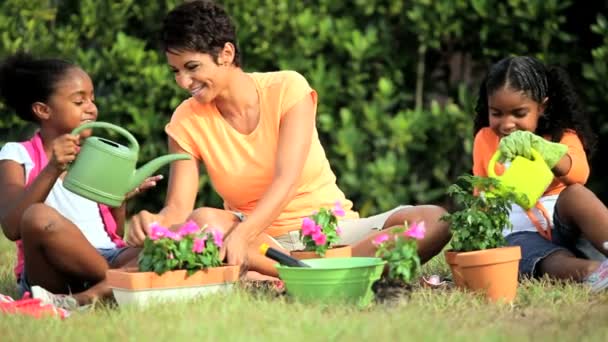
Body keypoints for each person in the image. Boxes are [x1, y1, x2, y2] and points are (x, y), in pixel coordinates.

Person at [128, 0, 451, 278]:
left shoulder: (287, 88)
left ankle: (290, 275)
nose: (183, 81)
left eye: (192, 67)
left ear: (226, 53)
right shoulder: (186, 120)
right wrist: (154, 222)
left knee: (434, 220)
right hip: (261, 244)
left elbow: (286, 181)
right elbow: (179, 208)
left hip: (331, 232)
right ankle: (322, 276)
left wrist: (241, 236)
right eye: (175, 71)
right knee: (204, 221)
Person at [0, 52, 160, 308]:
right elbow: (11, 226)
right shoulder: (16, 155)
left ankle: (89, 297)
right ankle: (122, 284)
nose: (92, 108)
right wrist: (53, 167)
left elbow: (114, 235)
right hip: (53, 269)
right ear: (43, 110)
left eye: (92, 99)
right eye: (79, 101)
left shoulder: (96, 155)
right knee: (37, 217)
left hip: (107, 256)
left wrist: (118, 202)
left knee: (165, 246)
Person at [472, 56, 608, 291]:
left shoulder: (560, 137)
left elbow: (579, 174)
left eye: (519, 113)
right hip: (518, 234)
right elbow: (480, 195)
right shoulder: (486, 140)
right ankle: (592, 273)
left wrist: (545, 152)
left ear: (541, 107)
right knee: (535, 255)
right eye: (497, 113)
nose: (507, 124)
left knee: (576, 194)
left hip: (563, 223)